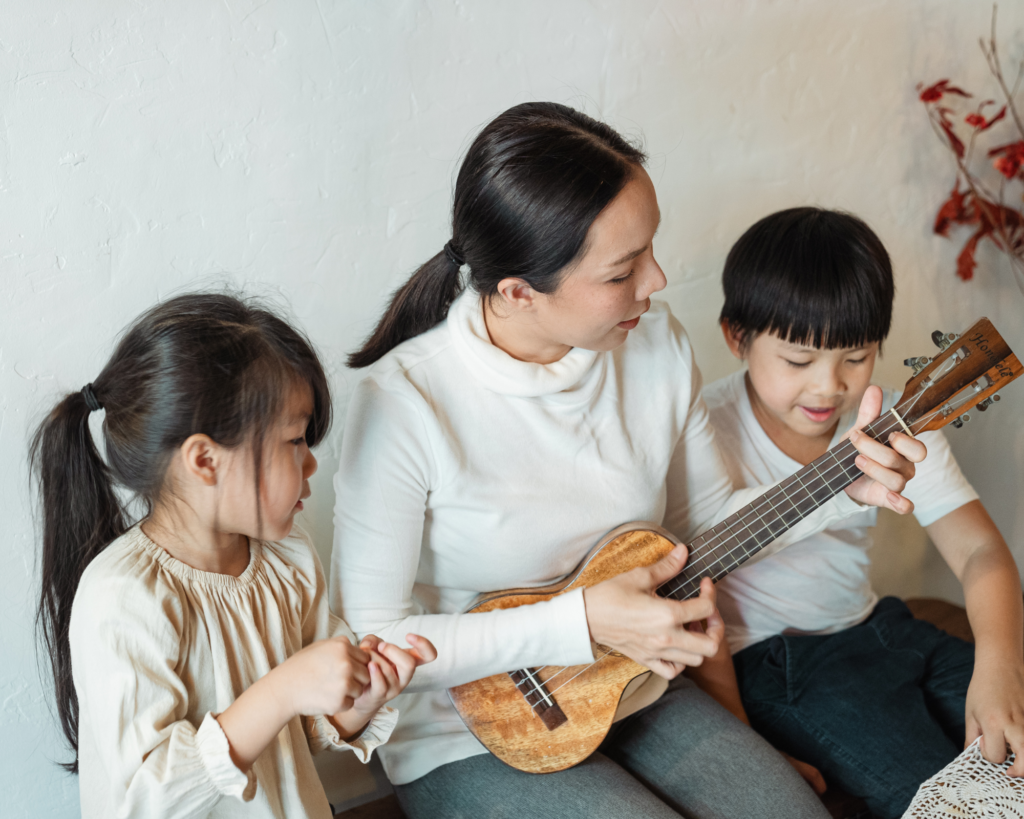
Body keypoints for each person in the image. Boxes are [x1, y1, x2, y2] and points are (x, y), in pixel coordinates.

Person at [330, 103, 925, 819]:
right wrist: (580, 622)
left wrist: (844, 488)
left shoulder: (654, 344)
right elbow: (378, 641)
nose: (658, 278)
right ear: (520, 292)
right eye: (623, 270)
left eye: (652, 248)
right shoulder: (404, 405)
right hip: (469, 730)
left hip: (636, 685)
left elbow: (705, 527)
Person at [31, 293, 436, 819]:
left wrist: (356, 702)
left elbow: (296, 735)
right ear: (204, 459)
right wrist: (282, 691)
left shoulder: (285, 557)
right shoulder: (125, 596)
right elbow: (144, 800)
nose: (312, 463)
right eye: (295, 439)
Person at [692, 207, 1024, 819]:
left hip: (884, 628)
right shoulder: (702, 429)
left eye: (856, 356)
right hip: (780, 664)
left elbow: (978, 551)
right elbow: (692, 600)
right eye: (798, 361)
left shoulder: (893, 420)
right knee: (957, 802)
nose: (829, 388)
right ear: (736, 336)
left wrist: (1000, 665)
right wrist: (746, 750)